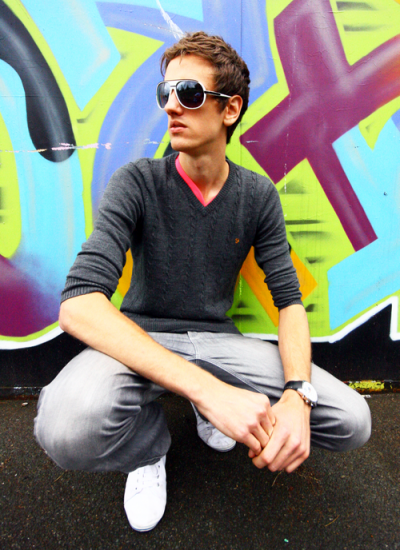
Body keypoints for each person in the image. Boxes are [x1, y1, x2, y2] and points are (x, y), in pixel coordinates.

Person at [34, 31, 371, 533]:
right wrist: (211, 391)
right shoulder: (137, 181)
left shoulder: (257, 195)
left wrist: (298, 395)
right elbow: (79, 304)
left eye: (189, 93)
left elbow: (290, 303)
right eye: (165, 93)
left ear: (230, 109)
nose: (172, 106)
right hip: (144, 334)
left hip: (219, 340)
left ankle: (203, 398)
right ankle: (148, 448)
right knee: (64, 428)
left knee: (350, 419)